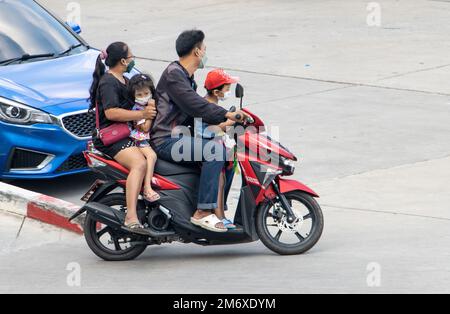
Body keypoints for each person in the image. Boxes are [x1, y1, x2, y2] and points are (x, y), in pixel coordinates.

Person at [151, 30, 250, 233]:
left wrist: (222, 125)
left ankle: (217, 211)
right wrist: (226, 115)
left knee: (227, 156)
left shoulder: (186, 77)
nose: (205, 53)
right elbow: (196, 106)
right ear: (196, 51)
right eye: (204, 49)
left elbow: (193, 113)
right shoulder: (174, 75)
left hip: (180, 135)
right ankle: (203, 212)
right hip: (166, 139)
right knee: (215, 152)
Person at [89, 42, 156, 235]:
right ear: (123, 60)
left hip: (128, 132)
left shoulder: (126, 80)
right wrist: (142, 114)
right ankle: (131, 217)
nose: (134, 58)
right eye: (131, 55)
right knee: (140, 164)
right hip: (112, 136)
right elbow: (111, 113)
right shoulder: (108, 82)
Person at [195, 68, 241, 229]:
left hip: (217, 144)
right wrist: (230, 121)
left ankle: (221, 212)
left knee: (226, 176)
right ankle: (219, 216)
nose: (228, 92)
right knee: (220, 180)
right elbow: (213, 127)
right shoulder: (206, 105)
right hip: (206, 146)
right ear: (216, 91)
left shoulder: (213, 103)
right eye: (227, 89)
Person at [128, 74, 160, 203]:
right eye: (139, 95)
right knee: (151, 156)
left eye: (146, 93)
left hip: (147, 138)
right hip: (139, 138)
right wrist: (150, 111)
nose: (143, 97)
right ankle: (147, 187)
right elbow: (145, 128)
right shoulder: (137, 109)